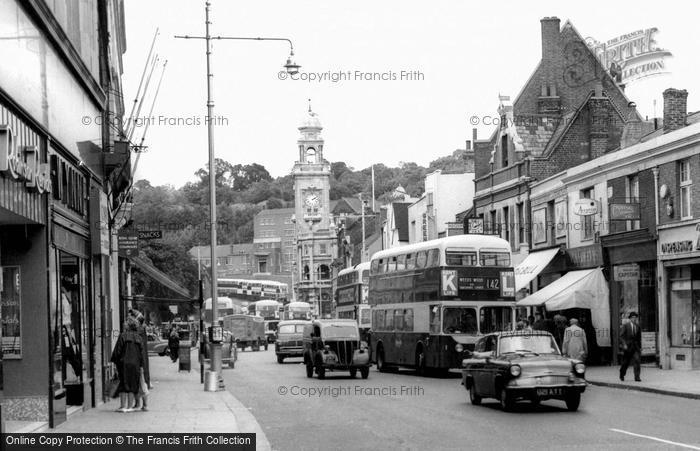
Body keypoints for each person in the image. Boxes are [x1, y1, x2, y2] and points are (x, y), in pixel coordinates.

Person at [110, 317, 144, 412]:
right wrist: (141, 366)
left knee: (123, 384)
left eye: (126, 322)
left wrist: (115, 362)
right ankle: (129, 407)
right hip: (135, 364)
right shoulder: (139, 338)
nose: (124, 324)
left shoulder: (123, 336)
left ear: (128, 325)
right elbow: (141, 354)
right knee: (132, 384)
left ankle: (122, 406)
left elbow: (117, 351)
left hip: (124, 363)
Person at [619, 311, 642, 382]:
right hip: (628, 347)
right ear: (630, 319)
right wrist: (624, 344)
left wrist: (640, 347)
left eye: (635, 318)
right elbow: (621, 336)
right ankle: (622, 374)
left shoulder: (638, 327)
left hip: (635, 347)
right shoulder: (626, 326)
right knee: (625, 363)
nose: (634, 319)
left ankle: (637, 377)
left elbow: (639, 338)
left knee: (637, 360)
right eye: (633, 318)